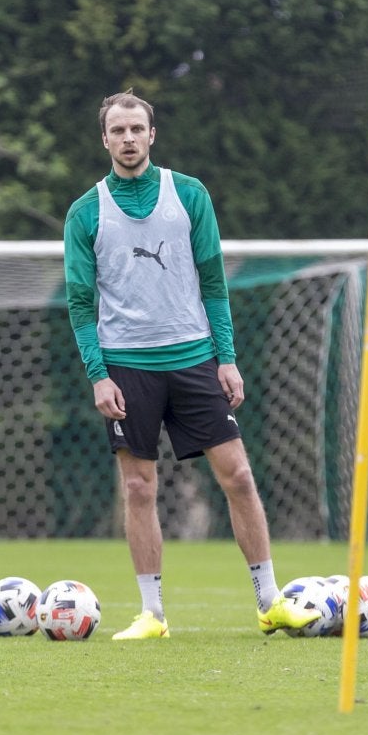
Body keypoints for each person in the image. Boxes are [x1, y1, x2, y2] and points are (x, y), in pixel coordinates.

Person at [62, 89, 321, 640]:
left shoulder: (190, 195)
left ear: (152, 135)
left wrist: (226, 358)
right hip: (126, 365)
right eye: (118, 131)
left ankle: (270, 601)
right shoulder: (86, 212)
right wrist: (97, 374)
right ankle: (152, 614)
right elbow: (81, 304)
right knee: (138, 488)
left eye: (137, 129)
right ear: (103, 138)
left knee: (240, 476)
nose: (128, 139)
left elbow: (214, 283)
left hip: (195, 359)